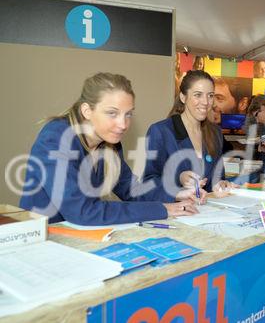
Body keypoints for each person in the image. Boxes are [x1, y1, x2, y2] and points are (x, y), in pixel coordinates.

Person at [20, 73, 198, 225]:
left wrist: (175, 194)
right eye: (112, 113)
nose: (123, 124)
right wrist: (161, 209)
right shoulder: (56, 138)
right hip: (44, 242)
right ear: (87, 110)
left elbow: (132, 190)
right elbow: (83, 211)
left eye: (128, 114)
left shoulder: (109, 144)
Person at [144, 70, 233, 197]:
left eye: (210, 95)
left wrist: (222, 184)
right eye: (198, 95)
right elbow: (150, 181)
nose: (206, 102)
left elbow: (217, 177)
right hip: (176, 212)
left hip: (208, 212)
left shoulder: (215, 133)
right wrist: (178, 178)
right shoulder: (160, 131)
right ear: (183, 97)